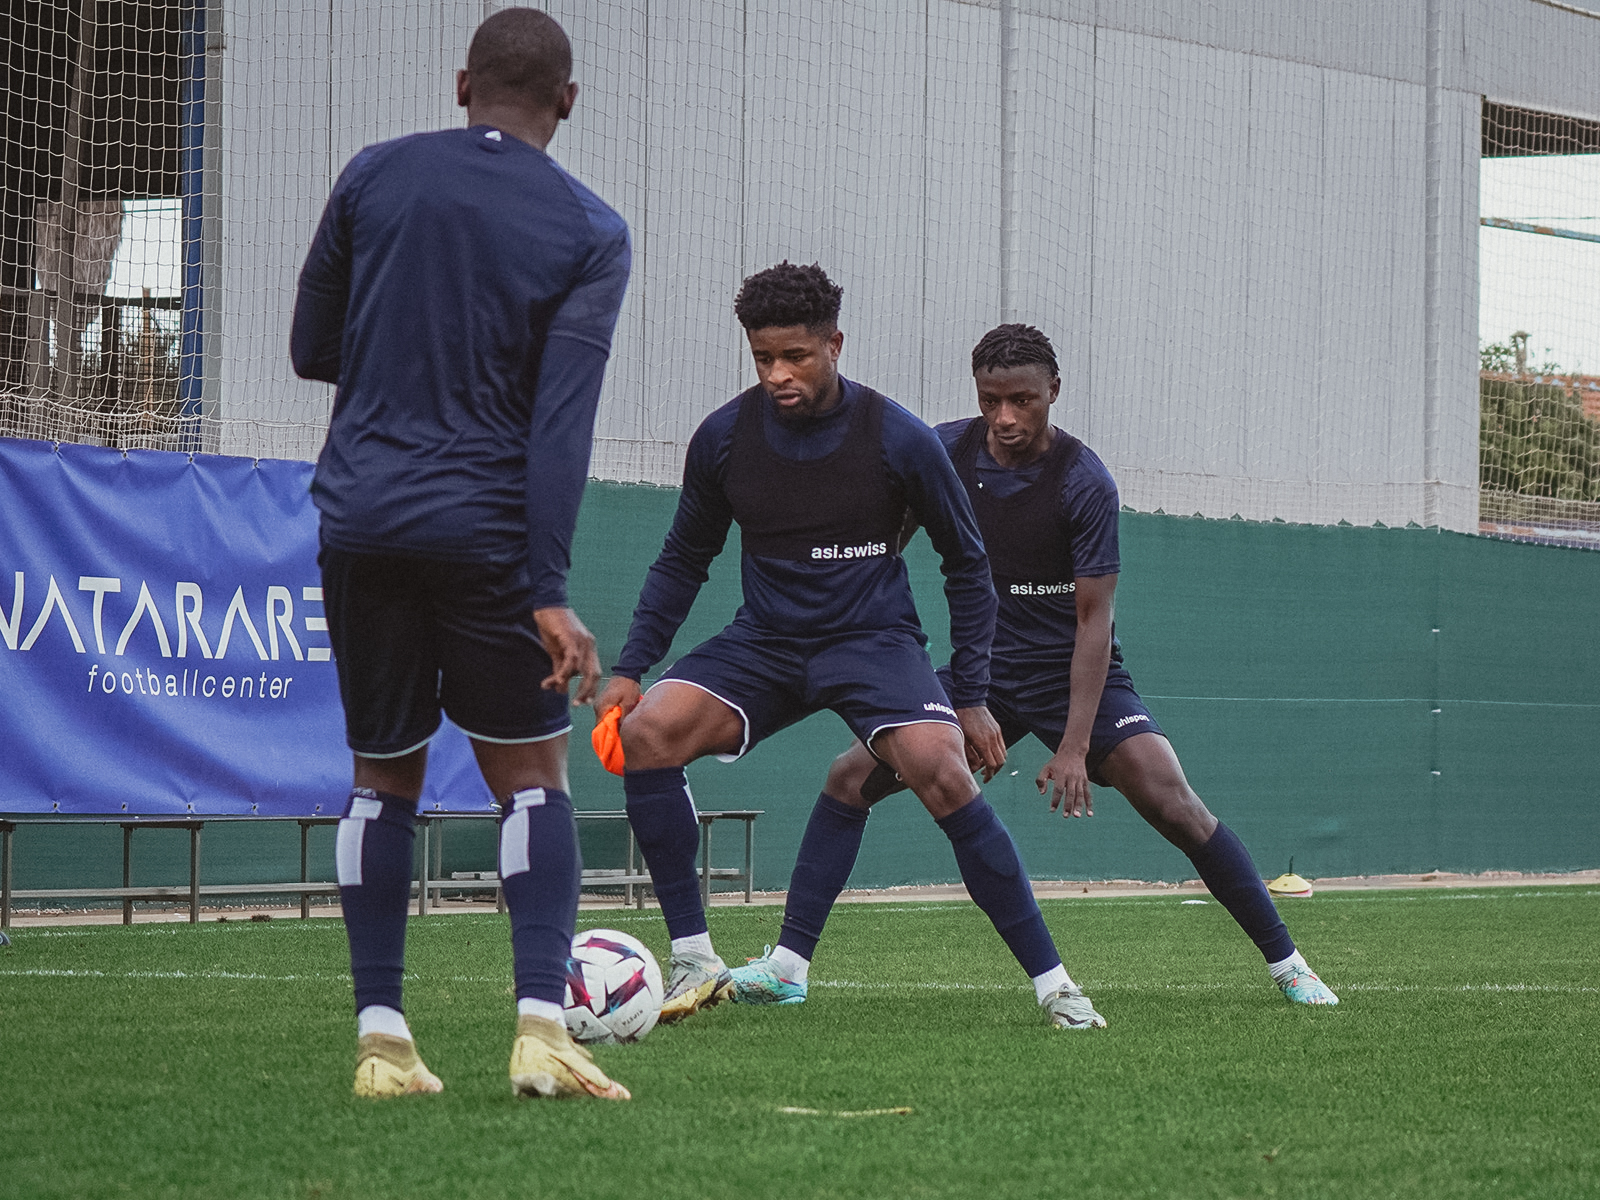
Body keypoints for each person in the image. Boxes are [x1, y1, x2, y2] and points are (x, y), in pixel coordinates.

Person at [729, 324, 1338, 1009]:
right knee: (849, 778)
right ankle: (787, 967)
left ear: (1054, 391)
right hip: (980, 672)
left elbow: (1093, 624)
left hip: (1072, 671)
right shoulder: (945, 451)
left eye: (1022, 400)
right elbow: (882, 545)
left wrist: (1076, 747)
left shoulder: (1084, 481)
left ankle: (1289, 964)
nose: (1005, 418)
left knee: (1175, 805)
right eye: (991, 400)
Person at [593, 264, 1107, 1033]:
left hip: (873, 642)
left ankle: (1056, 986)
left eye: (795, 356)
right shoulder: (726, 438)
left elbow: (967, 566)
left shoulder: (897, 437)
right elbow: (682, 558)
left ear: (834, 343)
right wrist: (631, 667)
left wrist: (969, 693)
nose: (778, 374)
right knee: (645, 735)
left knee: (940, 769)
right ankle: (695, 956)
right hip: (766, 641)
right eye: (763, 357)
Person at [290, 8, 634, 1100]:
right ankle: (540, 1029)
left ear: (460, 84)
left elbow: (310, 350)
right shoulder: (590, 228)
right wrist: (548, 588)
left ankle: (383, 1043)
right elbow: (559, 428)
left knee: (380, 783)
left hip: (360, 521)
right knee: (532, 779)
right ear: (567, 102)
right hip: (486, 532)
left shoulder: (372, 175)